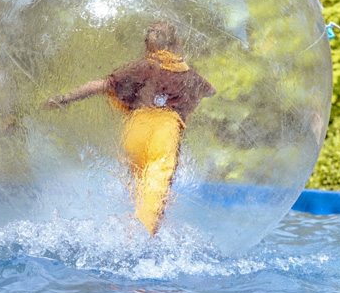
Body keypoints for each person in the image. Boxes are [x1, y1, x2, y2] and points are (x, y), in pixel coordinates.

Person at [47, 21, 216, 234]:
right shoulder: (187, 73)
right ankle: (143, 241)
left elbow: (100, 85)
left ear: (149, 43)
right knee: (155, 196)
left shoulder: (142, 67)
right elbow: (211, 90)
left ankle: (134, 234)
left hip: (135, 133)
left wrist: (64, 99)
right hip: (163, 136)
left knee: (141, 193)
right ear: (175, 44)